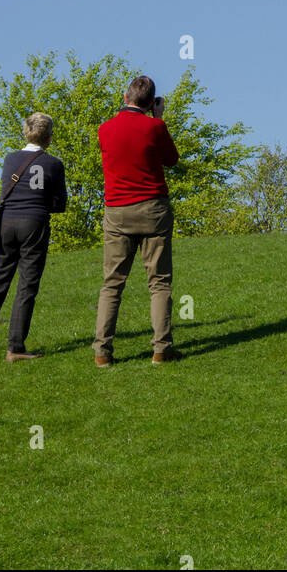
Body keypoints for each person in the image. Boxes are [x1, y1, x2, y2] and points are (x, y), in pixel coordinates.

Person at [0, 112, 67, 365]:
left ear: (25, 132)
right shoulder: (54, 164)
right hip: (35, 223)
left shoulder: (10, 160)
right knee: (26, 286)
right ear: (49, 137)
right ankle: (15, 347)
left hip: (6, 224)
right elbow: (60, 204)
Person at [93, 75, 181, 367]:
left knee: (112, 284)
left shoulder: (104, 130)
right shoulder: (155, 126)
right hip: (153, 208)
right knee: (159, 282)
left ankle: (102, 352)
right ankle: (161, 348)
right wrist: (159, 119)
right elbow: (172, 159)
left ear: (125, 95)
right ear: (151, 102)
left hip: (117, 210)